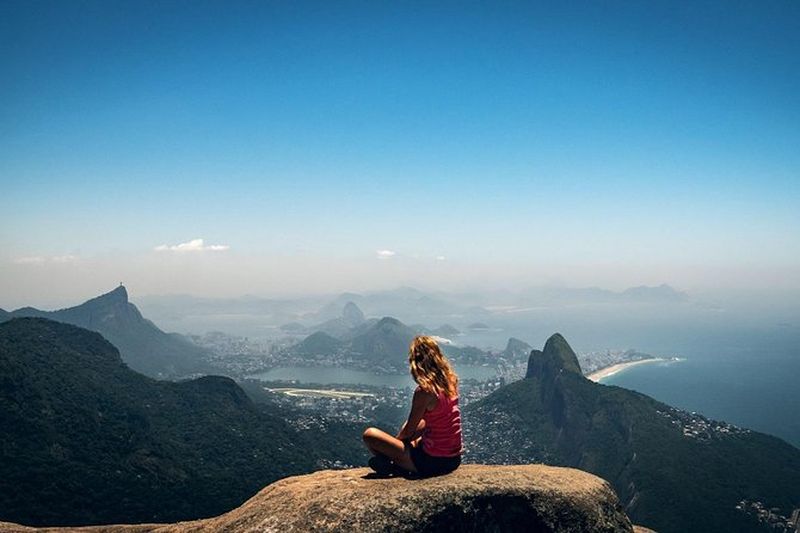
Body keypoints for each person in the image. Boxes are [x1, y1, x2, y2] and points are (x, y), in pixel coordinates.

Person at [362, 335, 462, 477]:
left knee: (370, 435)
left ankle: (392, 462)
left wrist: (395, 446)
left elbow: (409, 430)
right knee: (420, 423)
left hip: (432, 462)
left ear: (416, 363)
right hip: (453, 459)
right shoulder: (451, 382)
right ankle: (395, 461)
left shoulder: (425, 391)